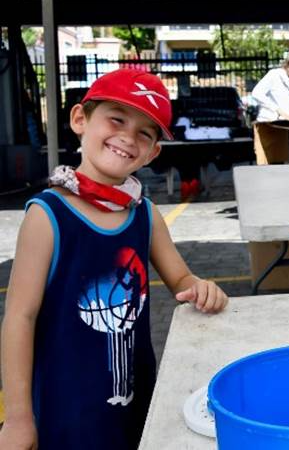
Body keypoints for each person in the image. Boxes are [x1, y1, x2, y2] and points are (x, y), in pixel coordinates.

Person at [0, 69, 230, 449]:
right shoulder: (48, 216)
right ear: (80, 120)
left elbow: (182, 282)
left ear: (153, 152)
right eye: (117, 119)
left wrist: (203, 290)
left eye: (145, 132)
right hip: (66, 409)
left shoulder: (145, 215)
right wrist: (20, 419)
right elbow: (19, 319)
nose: (127, 137)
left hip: (136, 401)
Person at [251, 50, 289, 121]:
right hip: (268, 122)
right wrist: (276, 109)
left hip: (287, 124)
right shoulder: (274, 75)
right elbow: (256, 93)